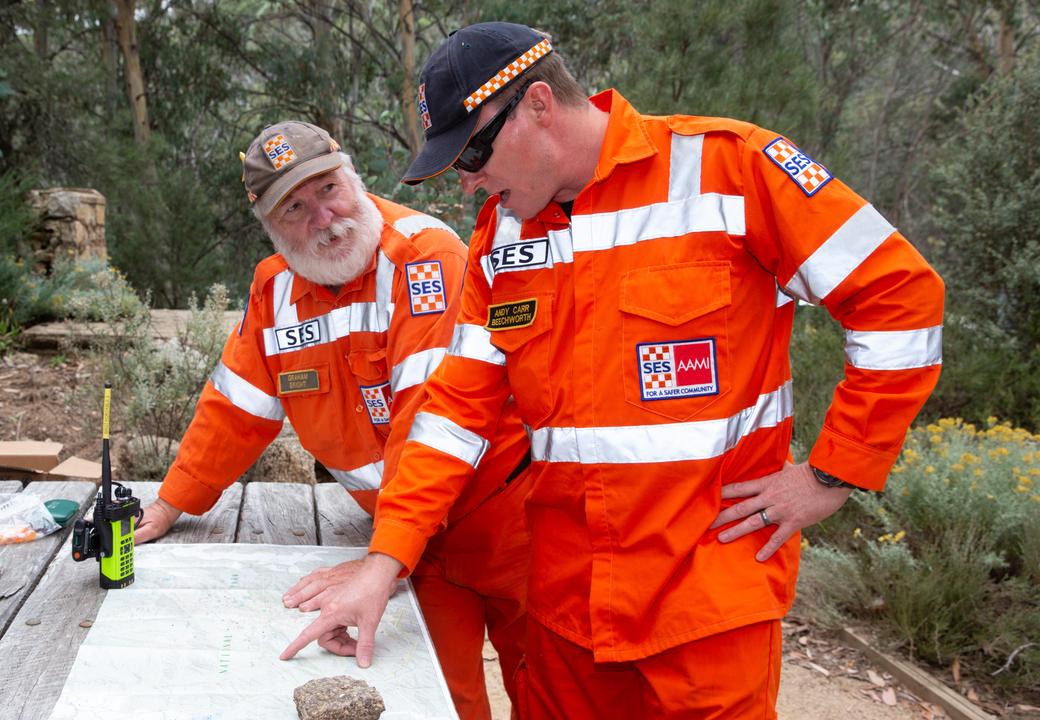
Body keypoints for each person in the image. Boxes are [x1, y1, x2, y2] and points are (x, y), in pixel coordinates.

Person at [280, 23, 945, 719]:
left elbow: (902, 297)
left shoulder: (729, 170)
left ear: (538, 105)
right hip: (566, 613)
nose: (469, 180)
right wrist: (383, 564)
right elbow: (453, 417)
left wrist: (833, 472)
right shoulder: (502, 242)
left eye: (473, 150)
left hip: (706, 608)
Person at [133, 120, 534, 720]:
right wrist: (168, 505)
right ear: (270, 230)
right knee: (438, 699)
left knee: (548, 687)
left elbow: (430, 423)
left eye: (327, 189)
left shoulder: (426, 258)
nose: (323, 217)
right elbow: (234, 410)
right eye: (294, 208)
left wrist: (381, 557)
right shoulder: (274, 291)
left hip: (505, 521)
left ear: (354, 177)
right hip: (411, 540)